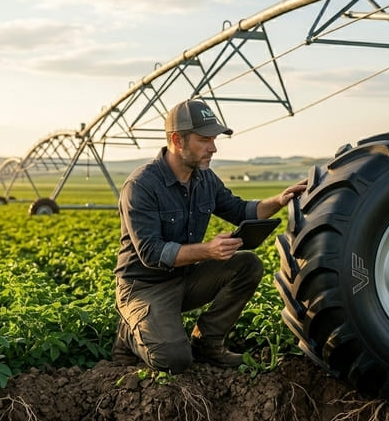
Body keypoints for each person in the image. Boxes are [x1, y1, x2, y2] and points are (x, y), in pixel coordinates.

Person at [112, 99, 307, 374]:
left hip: (185, 279)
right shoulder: (141, 185)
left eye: (214, 139)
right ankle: (129, 330)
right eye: (204, 140)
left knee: (247, 264)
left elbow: (241, 210)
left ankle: (207, 343)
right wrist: (208, 251)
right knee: (174, 360)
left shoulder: (205, 179)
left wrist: (279, 199)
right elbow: (152, 253)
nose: (213, 148)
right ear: (177, 140)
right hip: (145, 287)